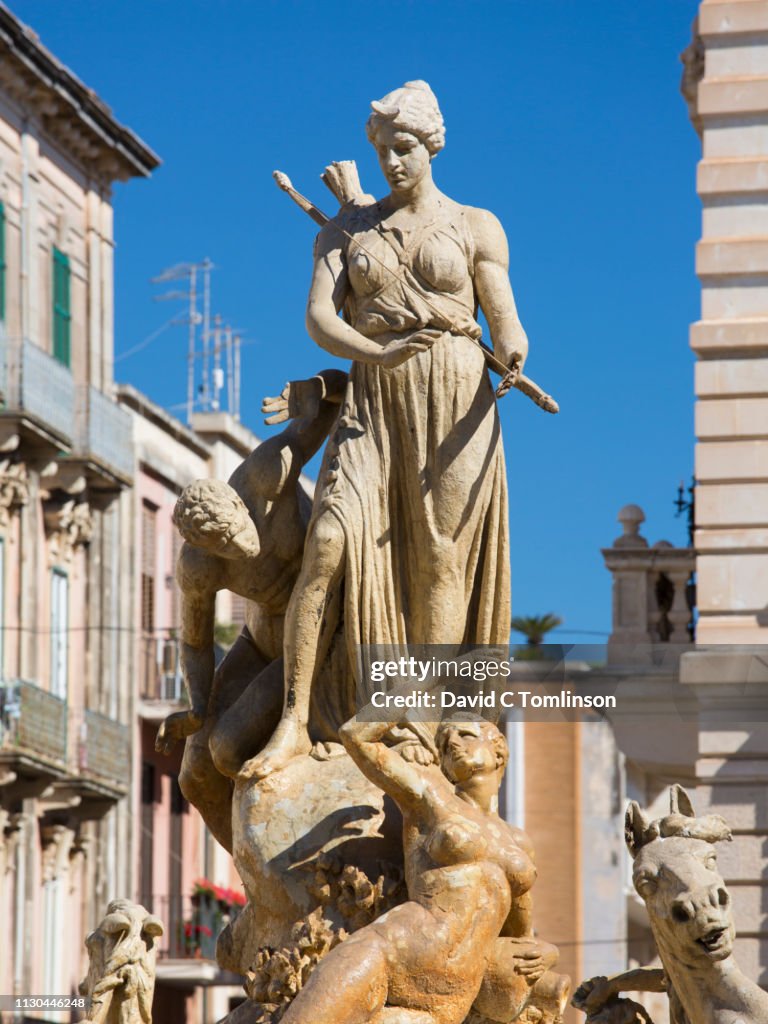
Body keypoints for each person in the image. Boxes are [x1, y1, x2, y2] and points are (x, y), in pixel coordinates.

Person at [243, 80, 529, 780]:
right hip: (374, 400)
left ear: (431, 145)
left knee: (441, 559)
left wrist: (515, 347)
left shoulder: (476, 224)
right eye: (383, 150)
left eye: (405, 148)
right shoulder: (345, 230)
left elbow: (503, 312)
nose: (393, 162)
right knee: (330, 542)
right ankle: (293, 719)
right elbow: (320, 318)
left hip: (457, 399)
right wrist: (373, 353)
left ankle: (418, 718)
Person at [155, 370, 348, 852]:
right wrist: (198, 706)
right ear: (201, 545)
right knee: (196, 773)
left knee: (227, 750)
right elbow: (196, 641)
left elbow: (330, 411)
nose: (236, 545)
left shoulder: (264, 473)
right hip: (258, 639)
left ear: (239, 503)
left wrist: (317, 387)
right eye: (219, 544)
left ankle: (272, 865)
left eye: (233, 529)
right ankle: (253, 893)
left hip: (316, 631)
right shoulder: (198, 566)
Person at [279, 712, 563, 1024]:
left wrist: (549, 953)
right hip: (390, 953)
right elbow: (355, 736)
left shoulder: (519, 843)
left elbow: (521, 938)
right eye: (443, 741)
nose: (452, 742)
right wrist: (407, 695)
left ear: (498, 748)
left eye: (464, 735)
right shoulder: (431, 798)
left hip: (450, 997)